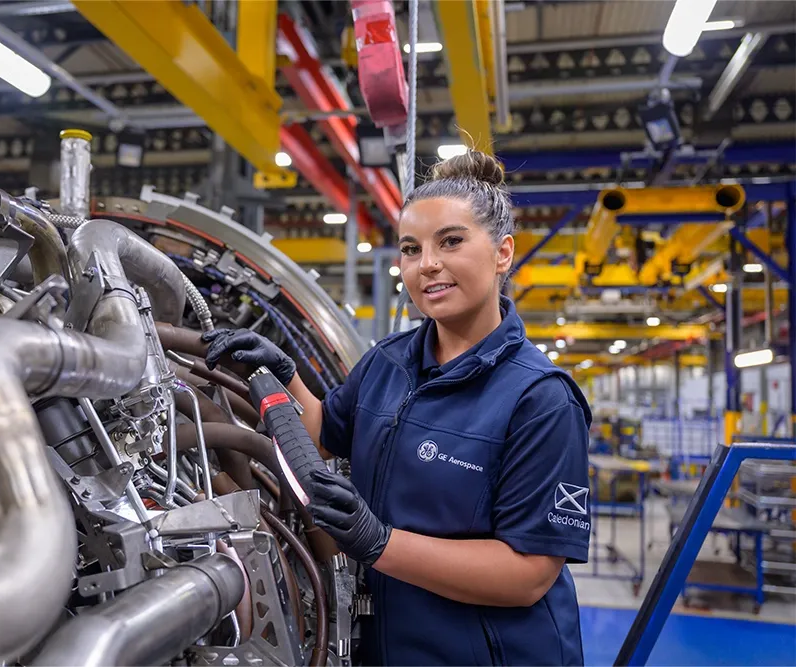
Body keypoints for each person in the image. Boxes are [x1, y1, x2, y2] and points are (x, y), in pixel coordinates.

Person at [203, 150, 592, 666]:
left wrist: (379, 542)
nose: (427, 264)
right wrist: (284, 375)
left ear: (503, 254)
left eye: (451, 241)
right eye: (411, 249)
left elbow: (528, 574)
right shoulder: (389, 361)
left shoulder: (540, 398)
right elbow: (323, 436)